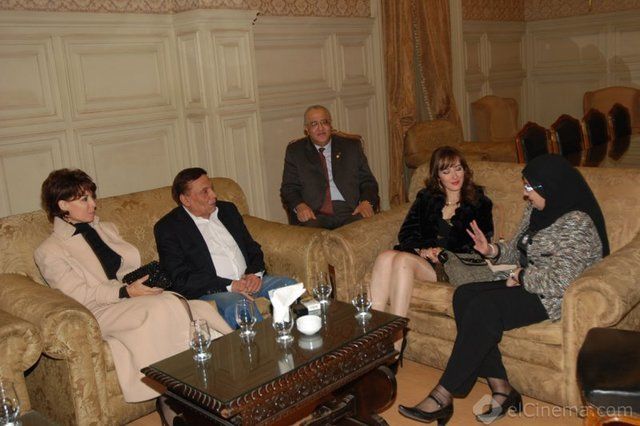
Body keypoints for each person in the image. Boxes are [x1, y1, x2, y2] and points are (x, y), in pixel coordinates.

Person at [398, 154, 609, 425]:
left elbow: (561, 281)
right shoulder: (536, 210)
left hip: (551, 296)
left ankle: (443, 394)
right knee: (464, 294)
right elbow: (516, 249)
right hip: (524, 281)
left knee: (485, 308)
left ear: (549, 187)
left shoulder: (576, 223)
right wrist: (492, 250)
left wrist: (521, 276)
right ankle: (502, 388)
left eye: (529, 187)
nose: (525, 193)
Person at [34, 169, 233, 404]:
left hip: (129, 297)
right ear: (63, 205)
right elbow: (78, 295)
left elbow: (125, 270)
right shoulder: (50, 250)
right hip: (98, 310)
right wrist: (123, 292)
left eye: (92, 197)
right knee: (160, 307)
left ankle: (218, 372)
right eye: (84, 199)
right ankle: (177, 391)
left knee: (186, 304)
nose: (93, 204)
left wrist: (140, 285)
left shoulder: (106, 228)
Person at [154, 167, 296, 329]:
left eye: (212, 188)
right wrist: (230, 285)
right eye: (205, 192)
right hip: (215, 291)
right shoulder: (169, 228)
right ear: (186, 200)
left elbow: (252, 248)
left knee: (289, 287)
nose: (213, 195)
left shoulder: (227, 210)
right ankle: (264, 345)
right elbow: (180, 277)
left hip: (249, 281)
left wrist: (254, 274)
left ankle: (293, 338)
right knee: (240, 307)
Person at [370, 146, 494, 319]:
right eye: (446, 171)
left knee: (403, 260)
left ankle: (397, 332)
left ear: (465, 171)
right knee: (384, 257)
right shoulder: (426, 198)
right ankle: (374, 327)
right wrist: (423, 250)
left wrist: (443, 253)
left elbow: (481, 243)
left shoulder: (479, 203)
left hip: (453, 264)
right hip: (425, 260)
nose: (454, 176)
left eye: (458, 169)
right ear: (437, 176)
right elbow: (407, 233)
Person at [280, 105, 380, 229]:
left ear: (330, 125)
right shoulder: (296, 151)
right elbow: (288, 188)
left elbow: (368, 182)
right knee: (312, 236)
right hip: (315, 213)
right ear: (306, 129)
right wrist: (300, 206)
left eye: (324, 122)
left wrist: (366, 202)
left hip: (350, 210)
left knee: (362, 231)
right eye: (314, 124)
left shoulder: (351, 147)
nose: (320, 128)